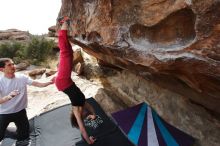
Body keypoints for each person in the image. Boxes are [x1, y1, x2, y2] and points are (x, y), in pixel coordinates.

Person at [54, 16, 96, 145]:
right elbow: (90, 106)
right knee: (69, 53)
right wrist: (93, 115)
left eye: (84, 115)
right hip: (64, 82)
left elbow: (82, 128)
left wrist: (88, 141)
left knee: (65, 53)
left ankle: (64, 22)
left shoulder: (76, 110)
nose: (84, 113)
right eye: (85, 114)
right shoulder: (83, 104)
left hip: (63, 81)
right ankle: (64, 27)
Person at [0, 58, 53, 144]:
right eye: (9, 65)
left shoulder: (22, 77)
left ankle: (10, 133)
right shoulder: (0, 82)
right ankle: (6, 132)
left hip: (20, 112)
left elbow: (37, 84)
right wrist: (9, 97)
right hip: (4, 113)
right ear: (2, 69)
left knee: (24, 137)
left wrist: (48, 82)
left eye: (13, 64)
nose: (13, 66)